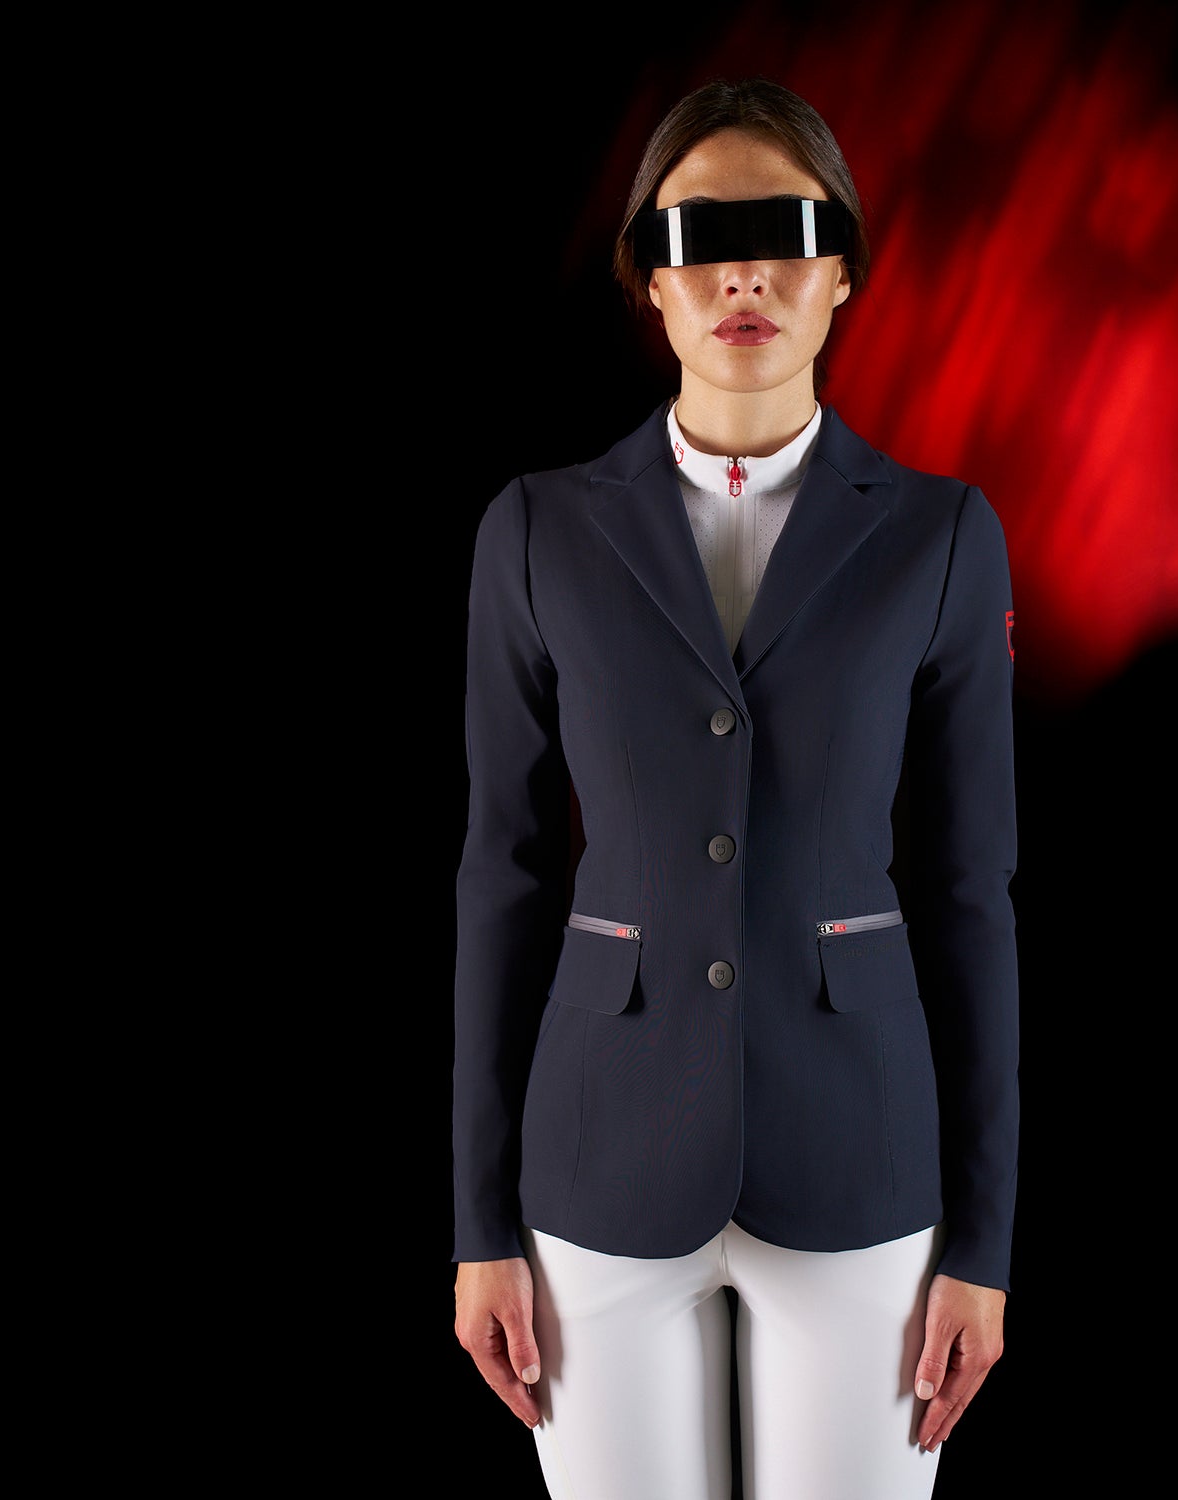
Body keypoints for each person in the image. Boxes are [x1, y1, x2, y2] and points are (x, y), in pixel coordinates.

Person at [452, 76, 1019, 1500]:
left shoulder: (945, 537)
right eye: (701, 235)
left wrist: (985, 1242)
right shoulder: (536, 532)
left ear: (844, 272)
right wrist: (474, 1221)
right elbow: (502, 874)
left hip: (861, 1159)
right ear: (652, 278)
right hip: (598, 1164)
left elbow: (971, 892)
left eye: (786, 230)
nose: (744, 273)